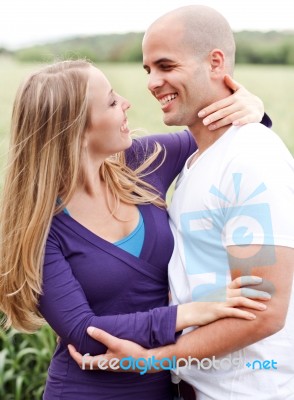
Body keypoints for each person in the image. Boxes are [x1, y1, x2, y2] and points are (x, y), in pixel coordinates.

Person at [0, 60, 270, 399]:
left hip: (161, 384)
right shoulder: (42, 227)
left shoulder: (141, 162)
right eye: (112, 101)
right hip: (84, 390)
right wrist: (192, 312)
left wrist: (253, 108)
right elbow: (85, 331)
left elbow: (219, 134)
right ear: (77, 130)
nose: (127, 103)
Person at [69, 5, 294, 400]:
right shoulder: (193, 162)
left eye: (166, 65)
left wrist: (153, 358)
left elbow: (263, 313)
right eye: (147, 70)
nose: (153, 83)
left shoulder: (250, 159)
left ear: (215, 62)